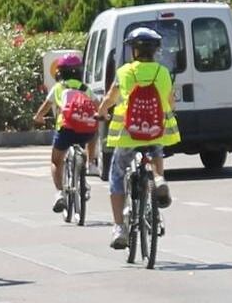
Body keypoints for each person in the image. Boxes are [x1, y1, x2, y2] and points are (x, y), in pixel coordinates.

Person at [99, 27, 180, 250]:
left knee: (117, 175)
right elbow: (171, 101)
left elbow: (110, 98)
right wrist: (170, 110)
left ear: (134, 51)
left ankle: (119, 228)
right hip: (155, 129)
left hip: (127, 134)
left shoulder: (125, 72)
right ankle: (159, 179)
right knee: (155, 152)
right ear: (155, 51)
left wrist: (102, 111)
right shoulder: (162, 72)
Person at [32, 54, 99, 214]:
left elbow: (46, 107)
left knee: (56, 161)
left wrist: (38, 117)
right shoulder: (85, 88)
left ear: (59, 73)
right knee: (94, 131)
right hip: (84, 132)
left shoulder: (59, 88)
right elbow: (97, 106)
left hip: (66, 129)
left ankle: (59, 193)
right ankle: (91, 163)